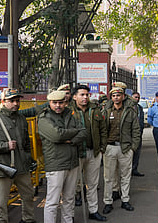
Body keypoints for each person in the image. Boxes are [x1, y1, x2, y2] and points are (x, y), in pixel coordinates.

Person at [0, 88, 35, 223]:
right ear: (3, 101)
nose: (15, 104)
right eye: (11, 101)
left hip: (21, 167)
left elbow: (26, 143)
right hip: (2, 168)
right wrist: (4, 146)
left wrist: (28, 160)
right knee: (0, 203)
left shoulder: (21, 119)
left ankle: (28, 220)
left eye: (17, 101)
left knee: (29, 196)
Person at [38, 90, 87, 223]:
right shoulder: (44, 118)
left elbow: (83, 132)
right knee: (52, 201)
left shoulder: (69, 115)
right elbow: (56, 135)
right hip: (56, 164)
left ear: (65, 103)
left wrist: (71, 139)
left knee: (69, 199)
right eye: (55, 103)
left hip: (72, 162)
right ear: (49, 103)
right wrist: (74, 132)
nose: (58, 105)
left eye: (61, 102)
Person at [70, 85, 108, 221]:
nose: (85, 97)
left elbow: (103, 130)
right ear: (74, 97)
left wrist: (102, 148)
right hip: (76, 154)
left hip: (94, 152)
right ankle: (70, 215)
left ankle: (93, 211)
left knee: (92, 185)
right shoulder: (69, 111)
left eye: (87, 94)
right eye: (82, 94)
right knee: (72, 186)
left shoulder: (95, 109)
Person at [102, 87, 140, 214]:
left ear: (123, 96)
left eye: (119, 95)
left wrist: (133, 148)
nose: (116, 97)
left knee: (125, 176)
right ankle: (108, 202)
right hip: (110, 148)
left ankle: (125, 200)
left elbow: (136, 130)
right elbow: (102, 130)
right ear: (111, 98)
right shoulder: (106, 111)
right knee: (109, 178)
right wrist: (103, 147)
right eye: (114, 96)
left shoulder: (130, 112)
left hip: (125, 149)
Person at [131, 92, 145, 177]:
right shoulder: (128, 108)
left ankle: (134, 169)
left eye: (138, 97)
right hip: (130, 135)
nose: (137, 99)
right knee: (130, 153)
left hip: (138, 134)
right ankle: (128, 172)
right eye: (135, 97)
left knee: (137, 152)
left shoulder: (140, 108)